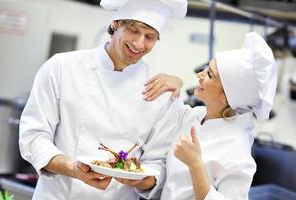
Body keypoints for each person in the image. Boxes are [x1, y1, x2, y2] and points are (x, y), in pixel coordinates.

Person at [18, 0, 187, 199]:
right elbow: (34, 136)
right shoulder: (62, 67)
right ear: (116, 24)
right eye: (134, 30)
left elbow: (158, 162)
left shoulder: (162, 92)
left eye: (150, 37)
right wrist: (72, 168)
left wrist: (143, 179)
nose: (140, 43)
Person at [143, 32, 277, 199]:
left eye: (210, 75)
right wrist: (175, 82)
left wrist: (195, 164)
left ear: (226, 96)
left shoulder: (237, 150)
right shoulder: (195, 117)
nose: (200, 75)